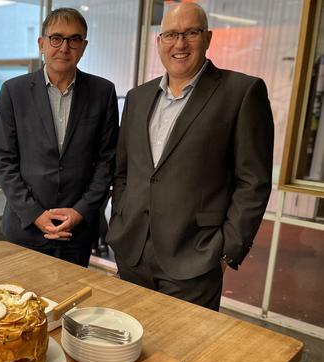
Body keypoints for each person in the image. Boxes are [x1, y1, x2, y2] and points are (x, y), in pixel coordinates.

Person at [106, 3, 273, 310]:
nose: (179, 43)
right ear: (158, 41)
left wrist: (226, 252)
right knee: (126, 346)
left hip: (195, 260)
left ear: (208, 38)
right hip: (132, 253)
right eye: (170, 34)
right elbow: (124, 171)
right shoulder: (137, 98)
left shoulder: (242, 93)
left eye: (191, 33)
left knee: (184, 354)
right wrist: (120, 218)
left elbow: (254, 181)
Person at [0, 8, 119, 267]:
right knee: (19, 304)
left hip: (77, 232)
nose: (64, 47)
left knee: (70, 304)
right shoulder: (13, 92)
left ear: (83, 47)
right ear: (41, 44)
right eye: (56, 38)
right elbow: (4, 162)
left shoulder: (103, 92)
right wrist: (35, 214)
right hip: (24, 229)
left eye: (74, 40)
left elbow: (107, 161)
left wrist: (81, 211)